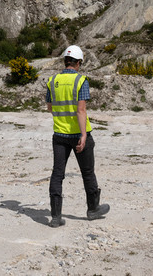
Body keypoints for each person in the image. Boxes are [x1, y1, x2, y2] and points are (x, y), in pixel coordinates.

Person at [45, 44, 110, 227]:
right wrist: (82, 135)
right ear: (79, 62)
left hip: (59, 134)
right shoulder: (81, 81)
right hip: (78, 134)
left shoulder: (52, 81)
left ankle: (56, 216)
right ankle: (93, 209)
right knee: (87, 172)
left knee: (57, 174)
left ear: (65, 61)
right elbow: (81, 111)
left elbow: (50, 107)